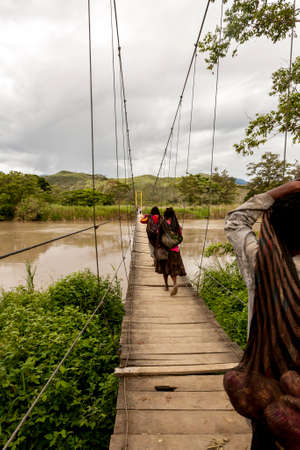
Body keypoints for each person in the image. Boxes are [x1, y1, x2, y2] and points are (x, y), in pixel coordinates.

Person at [223, 181, 300, 449]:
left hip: (265, 384)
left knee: (265, 437)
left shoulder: (261, 261)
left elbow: (235, 221)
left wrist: (280, 191)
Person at [155, 207, 186, 295]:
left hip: (165, 250)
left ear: (165, 215)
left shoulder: (162, 223)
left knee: (165, 269)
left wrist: (158, 247)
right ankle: (175, 283)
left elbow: (159, 236)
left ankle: (166, 285)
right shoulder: (176, 225)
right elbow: (180, 236)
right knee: (173, 268)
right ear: (173, 215)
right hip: (175, 250)